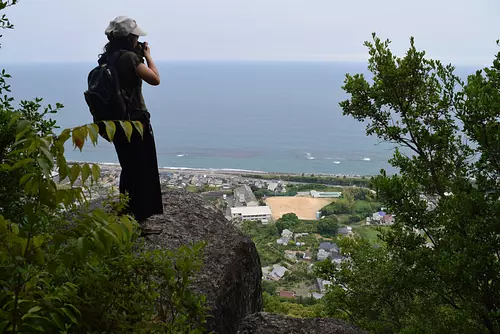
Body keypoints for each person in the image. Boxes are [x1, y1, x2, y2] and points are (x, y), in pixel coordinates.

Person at [100, 16, 163, 221]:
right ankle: (142, 214)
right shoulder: (129, 58)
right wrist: (149, 57)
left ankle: (127, 209)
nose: (138, 40)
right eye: (136, 36)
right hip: (135, 120)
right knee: (143, 166)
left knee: (128, 166)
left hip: (115, 122)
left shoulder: (108, 57)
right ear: (129, 37)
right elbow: (155, 79)